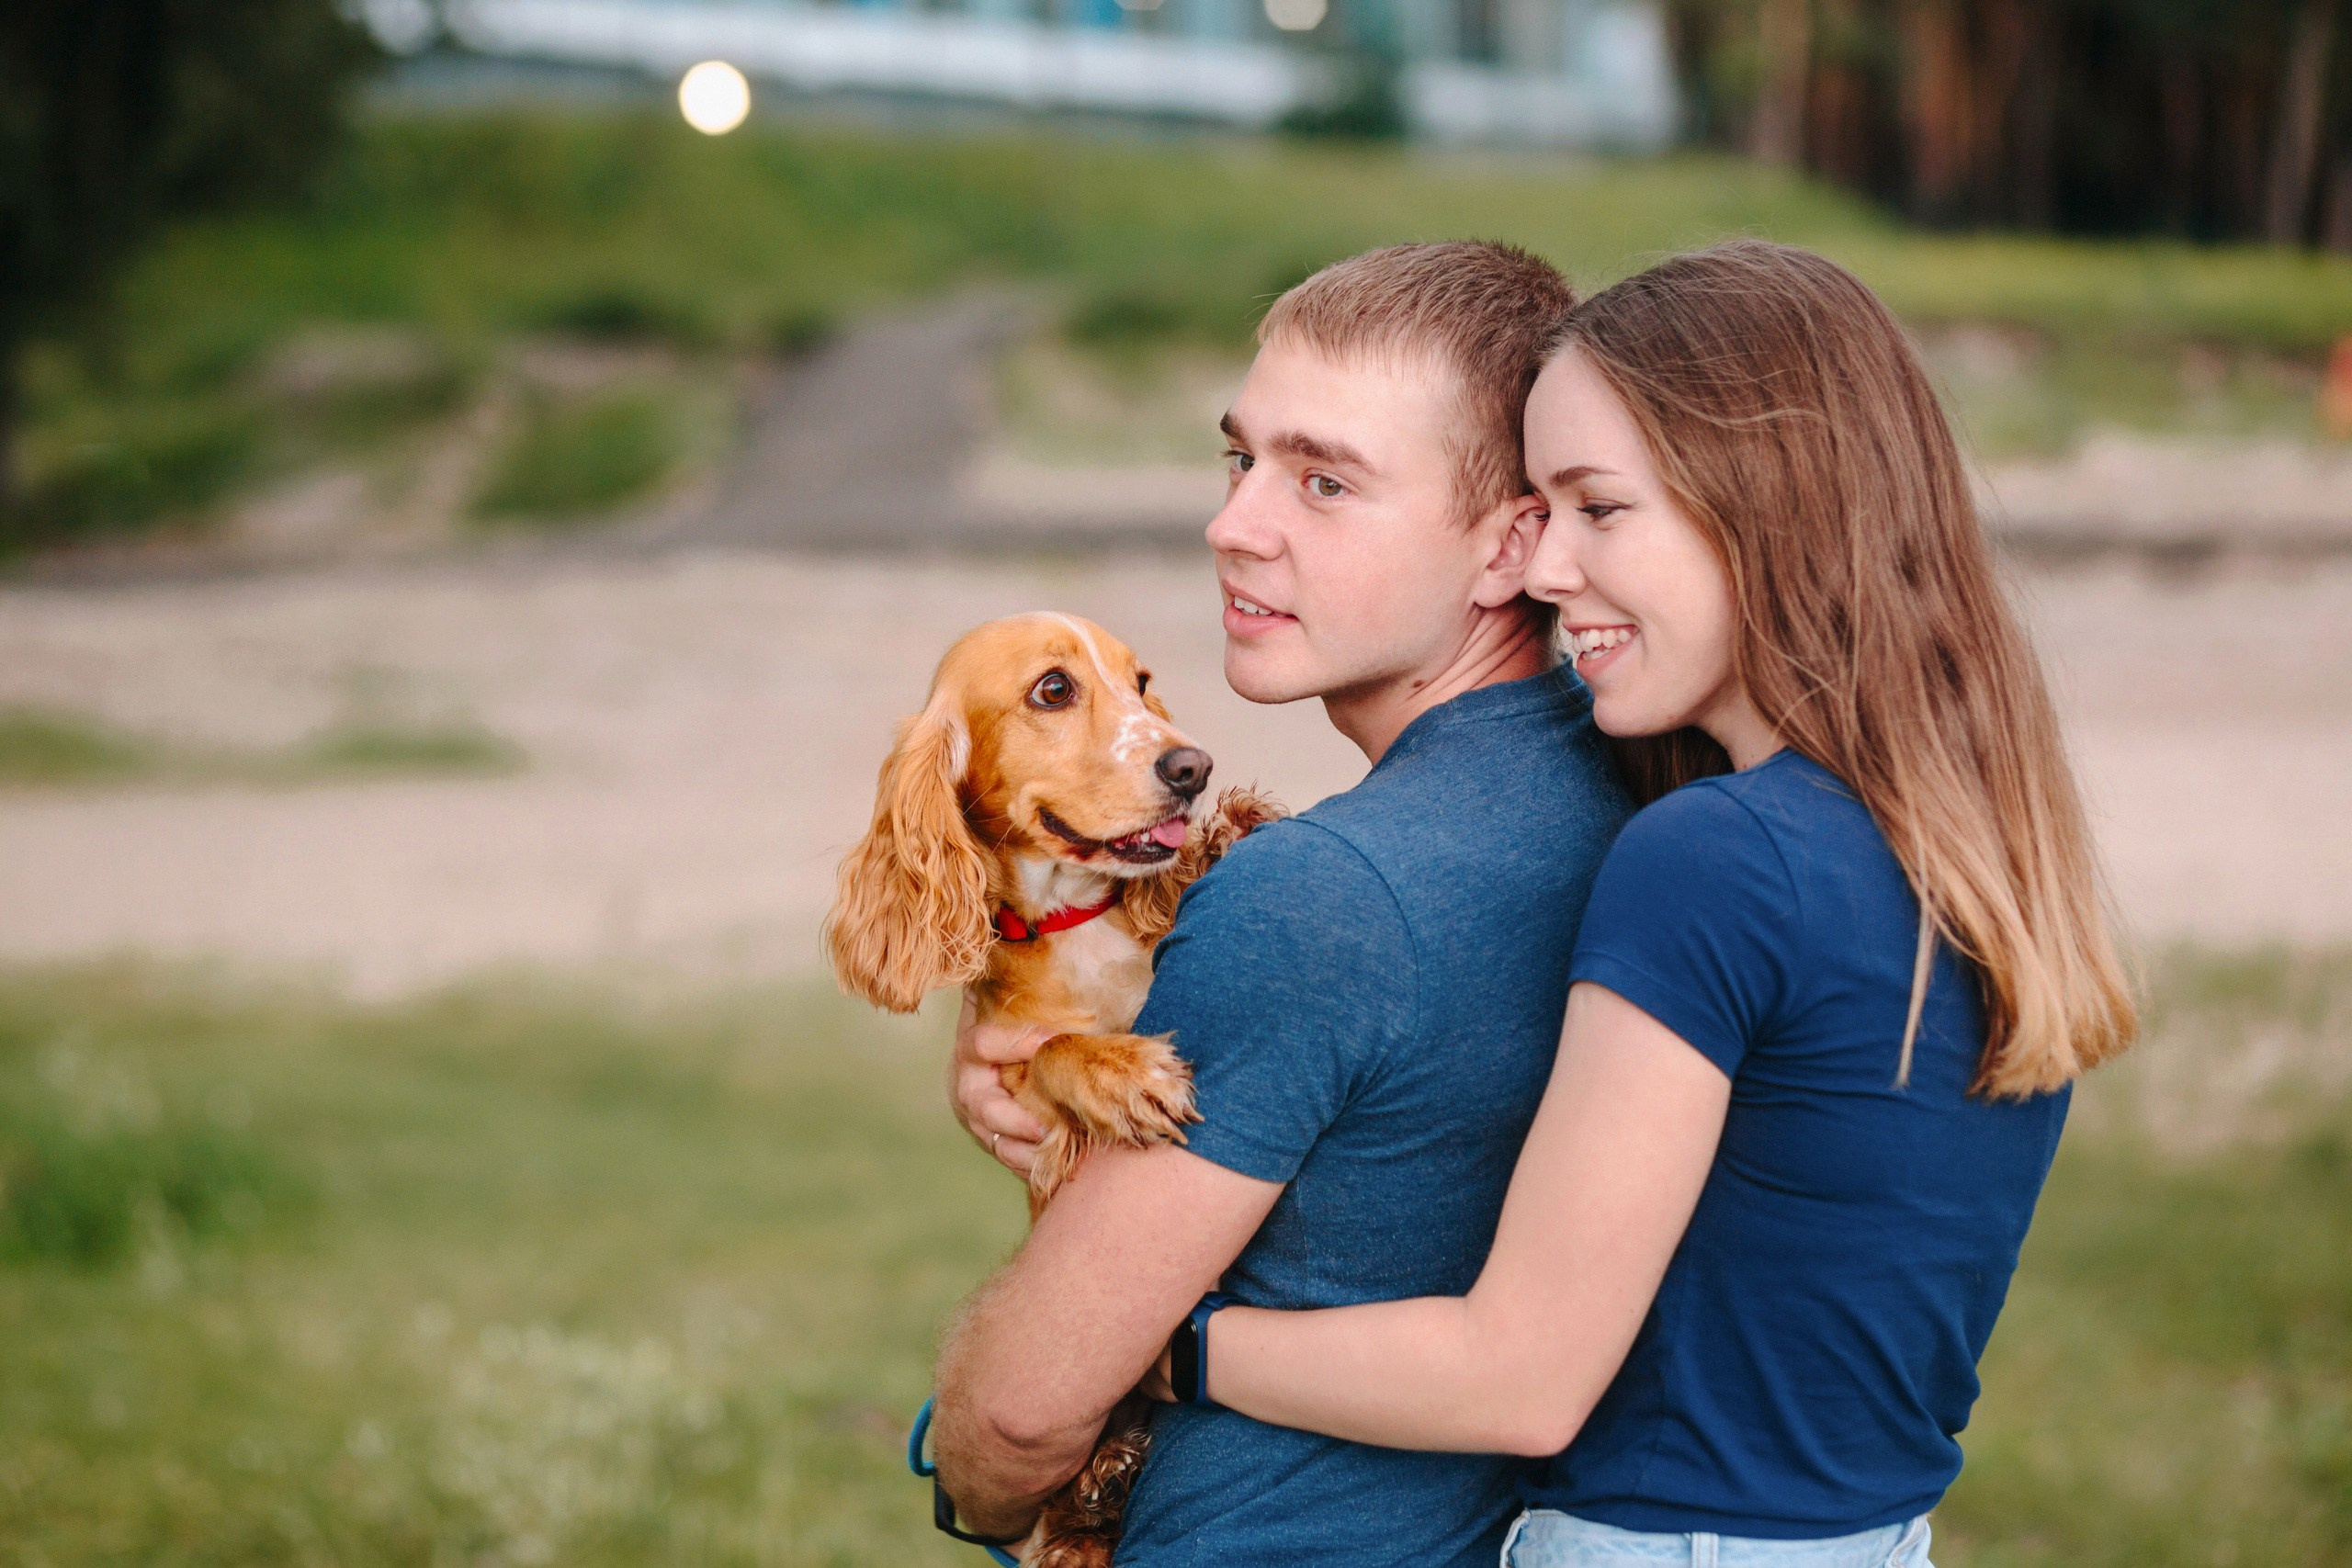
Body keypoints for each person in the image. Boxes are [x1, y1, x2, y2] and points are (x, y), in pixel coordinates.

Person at [1165, 241, 2140, 1567]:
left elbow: (1514, 1376)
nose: (1549, 572)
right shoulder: (1966, 836)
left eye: (1599, 511)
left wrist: (1172, 1347)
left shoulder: (1717, 858)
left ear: (1768, 507)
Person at [929, 242, 1634, 1566]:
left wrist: (958, 1462)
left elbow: (1023, 1418)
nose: (1236, 524)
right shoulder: (1639, 788)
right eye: (1238, 459)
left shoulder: (1320, 895)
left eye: (1323, 481)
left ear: (1511, 546)